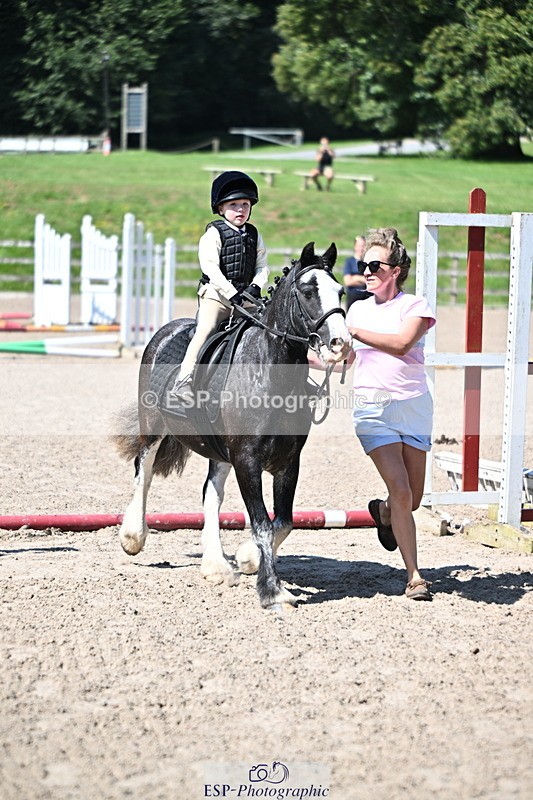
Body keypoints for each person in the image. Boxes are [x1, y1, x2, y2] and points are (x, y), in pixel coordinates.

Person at [338, 228, 436, 601]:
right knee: (401, 489)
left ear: (395, 270)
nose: (366, 271)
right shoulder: (357, 308)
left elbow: (401, 344)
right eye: (363, 265)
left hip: (413, 409)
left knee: (410, 500)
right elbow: (346, 359)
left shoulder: (415, 307)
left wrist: (355, 332)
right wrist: (306, 358)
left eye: (374, 265)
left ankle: (382, 513)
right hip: (372, 409)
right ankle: (415, 577)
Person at [171, 171, 269, 398]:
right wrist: (230, 292)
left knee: (269, 330)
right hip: (216, 297)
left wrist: (256, 286)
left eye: (245, 204)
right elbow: (210, 268)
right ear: (221, 208)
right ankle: (183, 381)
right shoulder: (214, 233)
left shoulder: (254, 234)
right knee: (205, 330)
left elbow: (262, 265)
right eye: (234, 204)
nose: (241, 209)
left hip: (246, 299)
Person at [343, 235, 372, 309]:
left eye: (363, 246)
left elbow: (371, 280)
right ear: (355, 246)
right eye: (359, 246)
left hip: (368, 296)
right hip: (353, 297)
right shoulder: (349, 261)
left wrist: (355, 278)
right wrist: (363, 279)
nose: (361, 248)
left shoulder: (369, 262)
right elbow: (348, 282)